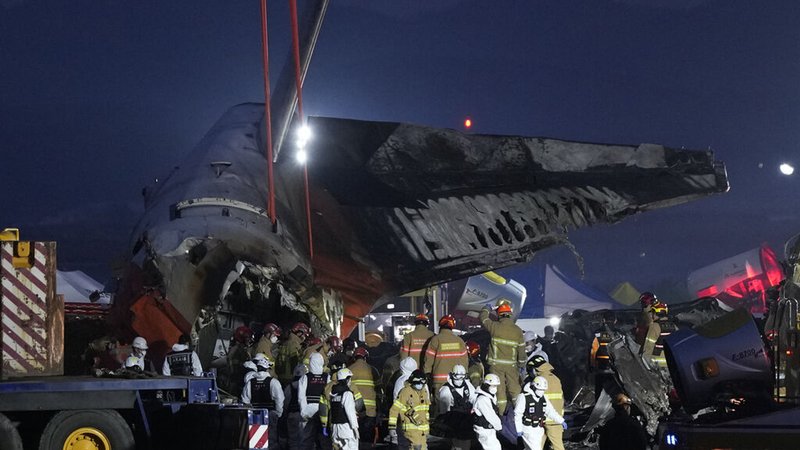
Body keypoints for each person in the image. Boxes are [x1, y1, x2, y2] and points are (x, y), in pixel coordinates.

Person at [480, 302, 526, 413]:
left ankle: (501, 415)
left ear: (499, 315)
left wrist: (487, 308)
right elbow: (521, 352)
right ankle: (519, 413)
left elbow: (483, 318)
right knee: (515, 390)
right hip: (512, 366)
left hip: (496, 366)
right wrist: (521, 365)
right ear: (510, 314)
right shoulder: (517, 330)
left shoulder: (495, 327)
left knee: (499, 391)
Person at [241, 356, 284, 450]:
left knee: (256, 440)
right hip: (271, 414)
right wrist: (279, 413)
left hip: (255, 414)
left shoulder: (250, 382)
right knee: (271, 439)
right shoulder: (274, 382)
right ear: (267, 369)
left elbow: (245, 400)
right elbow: (280, 399)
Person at [513, 376, 566, 450]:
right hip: (528, 429)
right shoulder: (524, 397)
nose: (541, 392)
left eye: (543, 390)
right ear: (534, 387)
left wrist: (561, 420)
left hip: (539, 428)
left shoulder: (543, 398)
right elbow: (517, 414)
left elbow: (550, 411)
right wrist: (518, 429)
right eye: (540, 390)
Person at [526, 357, 565, 450]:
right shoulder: (556, 379)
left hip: (540, 420)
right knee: (558, 446)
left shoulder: (538, 381)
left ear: (535, 369)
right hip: (555, 419)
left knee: (535, 446)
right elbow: (561, 399)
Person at [424, 315, 468, 394]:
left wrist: (426, 373)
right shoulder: (459, 341)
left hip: (439, 380)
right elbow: (464, 362)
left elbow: (428, 360)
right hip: (457, 380)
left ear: (440, 326)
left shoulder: (435, 340)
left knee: (441, 404)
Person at [389, 369, 431, 450]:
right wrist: (392, 427)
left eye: (422, 384)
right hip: (411, 428)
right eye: (418, 383)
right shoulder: (405, 392)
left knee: (423, 448)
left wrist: (427, 428)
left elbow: (425, 411)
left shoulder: (424, 392)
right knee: (415, 447)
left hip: (422, 430)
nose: (420, 386)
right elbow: (394, 410)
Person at [436, 364, 475, 450]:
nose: (460, 380)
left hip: (467, 419)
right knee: (457, 443)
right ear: (452, 375)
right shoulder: (446, 390)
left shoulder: (468, 385)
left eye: (462, 377)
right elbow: (444, 410)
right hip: (454, 421)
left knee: (466, 443)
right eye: (457, 377)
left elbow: (474, 399)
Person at [348, 346, 380, 444]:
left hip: (355, 410)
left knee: (355, 439)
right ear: (365, 357)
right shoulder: (372, 370)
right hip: (370, 410)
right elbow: (379, 391)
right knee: (368, 439)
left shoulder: (348, 370)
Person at [299, 352, 330, 449]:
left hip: (308, 410)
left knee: (307, 438)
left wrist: (303, 411)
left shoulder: (305, 377)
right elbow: (329, 395)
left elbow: (301, 396)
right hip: (323, 411)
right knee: (324, 437)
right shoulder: (327, 377)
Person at [328, 368, 360, 450]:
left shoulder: (334, 394)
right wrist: (355, 428)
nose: (350, 381)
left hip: (335, 429)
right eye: (349, 378)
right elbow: (350, 413)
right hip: (347, 429)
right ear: (346, 379)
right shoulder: (347, 394)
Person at [591, 310, 619, 399]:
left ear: (603, 320)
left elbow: (593, 350)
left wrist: (592, 365)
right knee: (616, 391)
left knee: (599, 389)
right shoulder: (619, 333)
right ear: (615, 320)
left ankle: (598, 409)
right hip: (617, 368)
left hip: (601, 366)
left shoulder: (598, 333)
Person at [472, 373, 503, 450]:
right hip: (484, 431)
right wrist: (499, 426)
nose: (494, 388)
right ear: (486, 385)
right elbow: (490, 416)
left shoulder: (489, 396)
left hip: (489, 430)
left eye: (495, 386)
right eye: (492, 386)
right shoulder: (483, 399)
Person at [284, 364, 307, 450]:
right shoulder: (306, 386)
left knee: (293, 440)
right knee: (305, 439)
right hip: (303, 416)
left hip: (292, 415)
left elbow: (285, 402)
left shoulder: (289, 387)